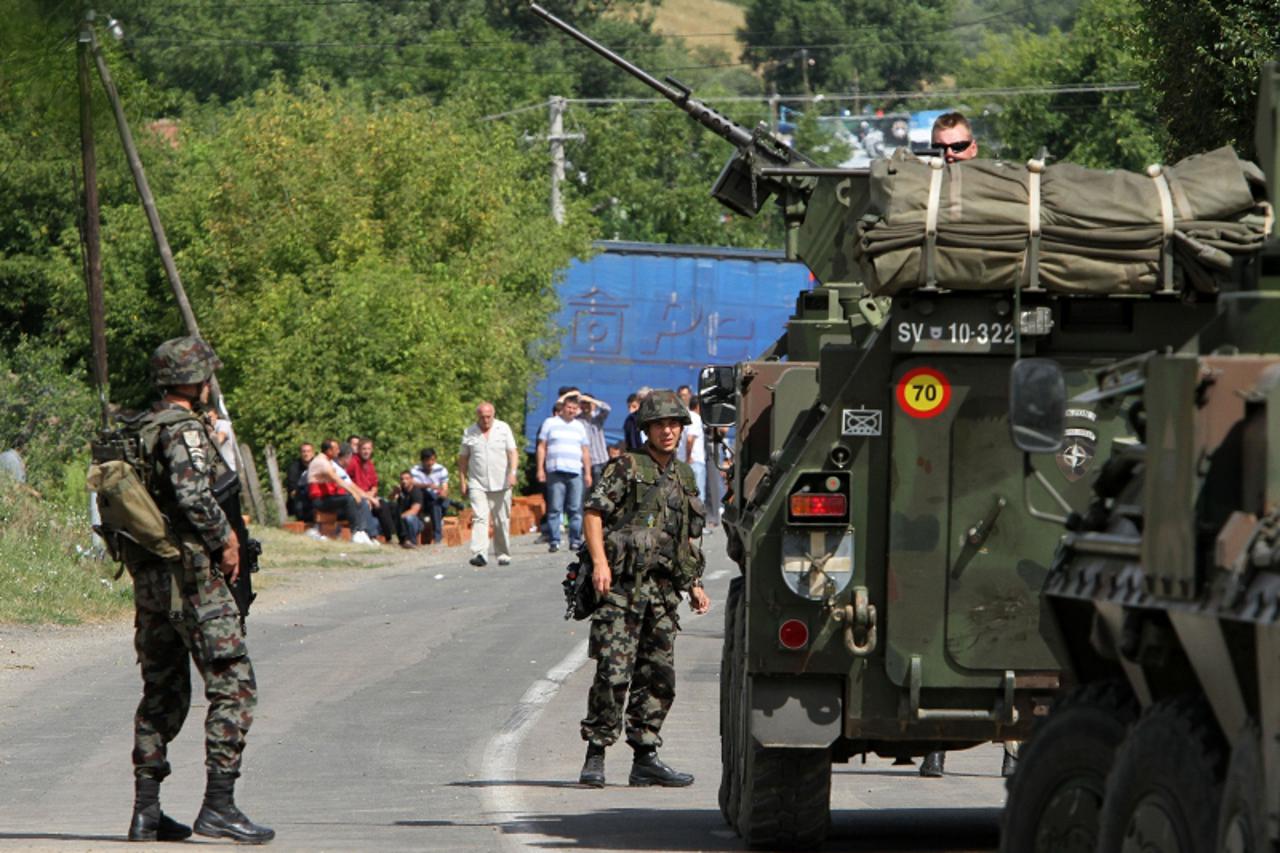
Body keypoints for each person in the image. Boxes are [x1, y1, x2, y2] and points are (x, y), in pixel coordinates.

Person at [123, 336, 273, 843]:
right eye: (206, 373)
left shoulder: (142, 427)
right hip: (192, 579)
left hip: (152, 580)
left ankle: (146, 811)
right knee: (234, 683)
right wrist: (226, 540)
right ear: (192, 380)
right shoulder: (183, 430)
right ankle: (219, 806)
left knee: (161, 691)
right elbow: (192, 495)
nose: (211, 381)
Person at [577, 389, 711, 788]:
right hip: (622, 590)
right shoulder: (625, 468)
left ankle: (645, 756)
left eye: (673, 424)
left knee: (657, 677)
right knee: (613, 673)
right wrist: (600, 562)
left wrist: (694, 585)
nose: (668, 431)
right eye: (659, 424)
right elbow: (593, 513)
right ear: (646, 429)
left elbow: (684, 538)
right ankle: (596, 754)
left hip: (663, 594)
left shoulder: (685, 476)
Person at [459, 402, 519, 567]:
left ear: (493, 415)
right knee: (480, 517)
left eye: (488, 417)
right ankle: (480, 553)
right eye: (482, 417)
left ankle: (503, 554)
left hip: (502, 482)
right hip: (478, 482)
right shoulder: (470, 432)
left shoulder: (503, 428)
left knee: (501, 520)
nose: (485, 421)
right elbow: (463, 458)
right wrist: (463, 480)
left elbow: (512, 452)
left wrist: (513, 473)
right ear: (477, 416)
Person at [536, 393, 592, 553]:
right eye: (569, 407)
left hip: (575, 471)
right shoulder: (550, 423)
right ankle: (554, 540)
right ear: (562, 408)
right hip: (555, 470)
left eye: (574, 408)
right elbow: (542, 447)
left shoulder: (579, 426)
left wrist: (587, 473)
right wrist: (540, 468)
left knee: (575, 508)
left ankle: (575, 539)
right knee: (555, 508)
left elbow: (585, 451)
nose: (571, 411)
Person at [307, 439, 377, 545]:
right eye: (336, 449)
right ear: (329, 450)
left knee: (360, 500)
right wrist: (353, 493)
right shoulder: (321, 462)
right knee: (350, 498)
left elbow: (345, 482)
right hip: (320, 500)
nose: (338, 451)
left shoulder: (329, 461)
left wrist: (359, 494)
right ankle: (355, 532)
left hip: (329, 498)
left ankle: (362, 531)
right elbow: (337, 479)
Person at [345, 438, 402, 546]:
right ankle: (387, 537)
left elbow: (374, 485)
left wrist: (371, 495)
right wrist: (368, 498)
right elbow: (348, 483)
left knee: (392, 506)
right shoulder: (353, 462)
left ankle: (400, 538)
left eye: (369, 449)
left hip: (369, 496)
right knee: (380, 504)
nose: (366, 451)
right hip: (358, 496)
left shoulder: (369, 464)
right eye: (364, 449)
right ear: (358, 449)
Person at [410, 448, 449, 544]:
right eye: (428, 460)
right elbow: (413, 484)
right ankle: (437, 536)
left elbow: (445, 488)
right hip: (422, 498)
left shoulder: (441, 469)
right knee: (429, 494)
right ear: (422, 460)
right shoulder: (415, 470)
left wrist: (442, 493)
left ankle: (437, 538)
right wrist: (428, 485)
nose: (430, 463)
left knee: (436, 503)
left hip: (436, 499)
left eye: (433, 460)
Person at [578, 393, 612, 484]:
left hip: (600, 460)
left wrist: (592, 401)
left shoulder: (598, 417)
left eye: (588, 403)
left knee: (599, 490)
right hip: (584, 462)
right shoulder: (577, 420)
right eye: (583, 403)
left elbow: (607, 408)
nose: (586, 405)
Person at [682, 397, 707, 505]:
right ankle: (698, 520)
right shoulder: (696, 418)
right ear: (698, 406)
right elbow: (690, 439)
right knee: (698, 495)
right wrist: (688, 457)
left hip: (683, 461)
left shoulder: (684, 417)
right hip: (694, 461)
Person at [284, 442, 316, 525]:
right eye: (304, 451)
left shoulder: (317, 465)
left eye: (308, 451)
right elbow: (293, 491)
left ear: (313, 453)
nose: (306, 454)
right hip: (300, 498)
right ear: (300, 453)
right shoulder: (294, 467)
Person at [393, 470, 424, 548]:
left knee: (409, 518)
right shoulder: (400, 491)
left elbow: (414, 511)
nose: (404, 481)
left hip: (417, 522)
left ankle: (412, 542)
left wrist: (399, 517)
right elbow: (390, 501)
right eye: (402, 479)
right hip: (402, 519)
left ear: (412, 480)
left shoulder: (416, 492)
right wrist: (394, 492)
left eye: (407, 479)